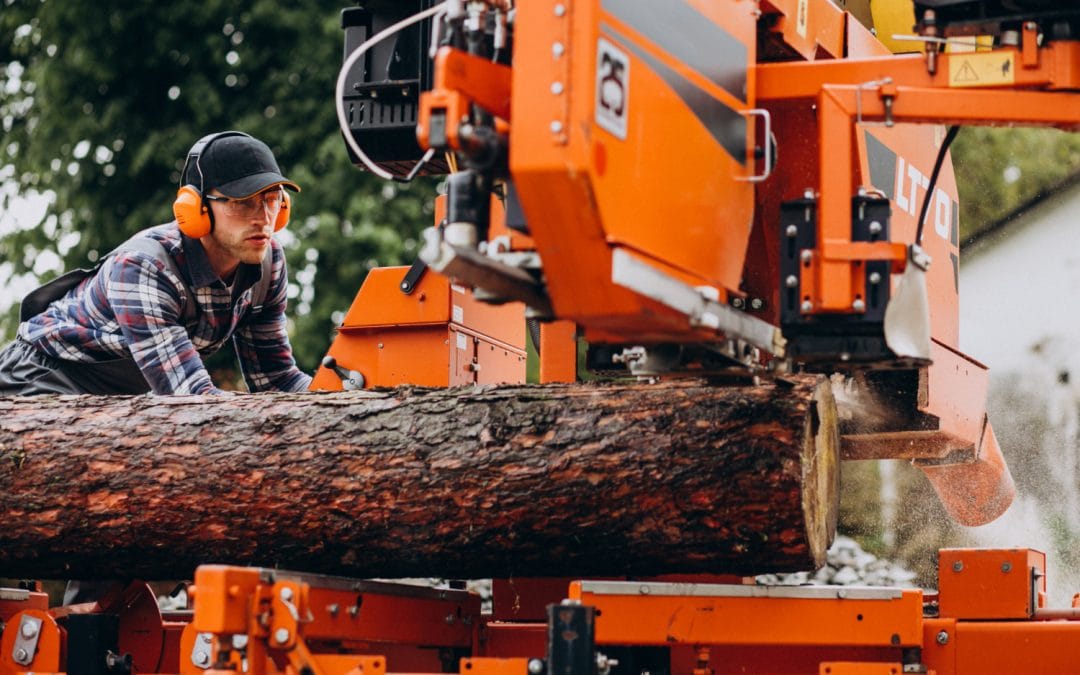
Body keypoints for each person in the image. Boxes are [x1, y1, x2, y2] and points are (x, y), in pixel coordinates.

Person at [0, 131, 313, 395]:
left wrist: (347, 394)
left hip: (116, 398)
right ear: (197, 208)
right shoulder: (143, 268)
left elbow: (276, 380)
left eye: (272, 199)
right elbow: (191, 400)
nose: (263, 218)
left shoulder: (267, 263)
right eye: (243, 202)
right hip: (40, 380)